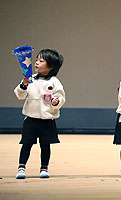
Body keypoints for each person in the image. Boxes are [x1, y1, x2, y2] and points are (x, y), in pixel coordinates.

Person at [14, 49, 65, 179]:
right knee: (26, 144)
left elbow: (61, 97)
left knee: (45, 145)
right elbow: (20, 95)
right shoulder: (30, 79)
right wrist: (24, 85)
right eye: (36, 60)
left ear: (51, 66)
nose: (36, 63)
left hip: (47, 120)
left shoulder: (54, 81)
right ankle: (21, 168)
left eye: (41, 61)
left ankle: (44, 168)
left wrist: (56, 101)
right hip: (31, 119)